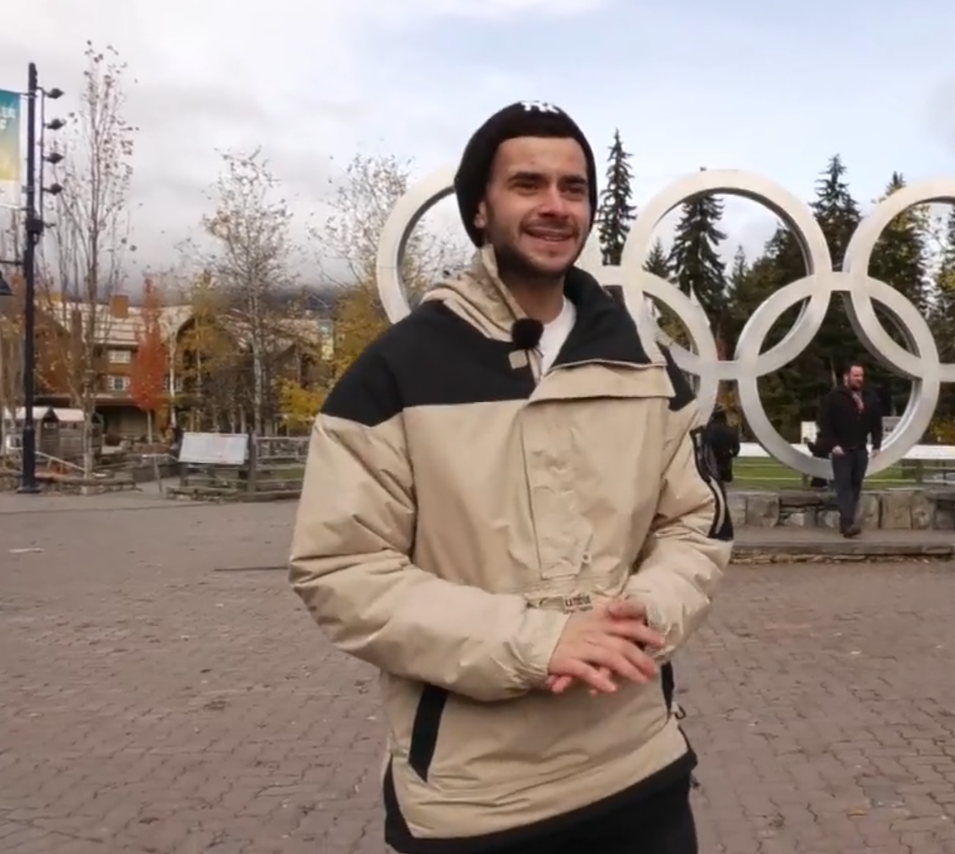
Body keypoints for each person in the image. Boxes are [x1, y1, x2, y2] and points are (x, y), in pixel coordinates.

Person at [287, 101, 732, 854]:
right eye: (528, 184)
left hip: (640, 774)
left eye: (573, 187)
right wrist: (537, 641)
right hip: (476, 804)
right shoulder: (396, 371)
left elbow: (697, 522)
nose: (555, 205)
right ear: (480, 209)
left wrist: (646, 612)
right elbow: (341, 568)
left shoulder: (647, 367)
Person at [816, 363, 883, 537]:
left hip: (860, 449)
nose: (859, 379)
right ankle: (847, 523)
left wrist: (877, 444)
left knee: (855, 486)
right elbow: (826, 423)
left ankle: (847, 522)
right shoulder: (835, 397)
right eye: (856, 376)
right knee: (843, 485)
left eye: (861, 376)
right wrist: (833, 444)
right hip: (842, 449)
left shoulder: (870, 397)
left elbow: (876, 423)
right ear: (847, 377)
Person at [701, 409, 740, 484]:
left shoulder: (707, 430)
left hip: (711, 460)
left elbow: (704, 444)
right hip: (725, 459)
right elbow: (736, 449)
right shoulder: (730, 430)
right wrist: (731, 454)